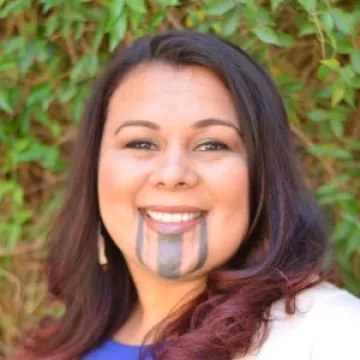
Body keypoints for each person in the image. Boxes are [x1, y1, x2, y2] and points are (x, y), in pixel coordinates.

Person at [15, 30, 360, 360]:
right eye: (141, 143)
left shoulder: (333, 336)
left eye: (212, 144)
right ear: (95, 166)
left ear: (262, 175)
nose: (172, 174)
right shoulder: (58, 346)